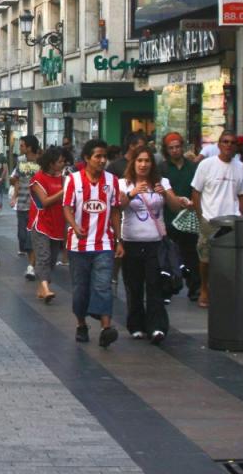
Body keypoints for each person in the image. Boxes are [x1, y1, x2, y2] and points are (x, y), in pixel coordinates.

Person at [63, 138, 124, 348]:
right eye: (97, 156)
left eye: (104, 156)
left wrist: (119, 239)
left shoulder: (112, 181)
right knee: (80, 288)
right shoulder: (73, 180)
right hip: (78, 245)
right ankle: (81, 323)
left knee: (103, 285)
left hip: (104, 244)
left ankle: (106, 328)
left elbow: (115, 211)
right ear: (87, 158)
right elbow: (67, 208)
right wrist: (74, 226)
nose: (102, 160)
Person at [120, 148, 182, 344]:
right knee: (134, 286)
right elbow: (117, 206)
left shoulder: (161, 183)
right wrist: (132, 194)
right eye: (140, 160)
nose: (143, 164)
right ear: (133, 163)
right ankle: (136, 325)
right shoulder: (124, 183)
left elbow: (175, 206)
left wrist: (166, 194)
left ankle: (157, 327)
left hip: (156, 243)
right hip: (130, 242)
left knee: (155, 285)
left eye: (147, 161)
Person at [190, 130, 243, 309]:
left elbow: (242, 193)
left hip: (231, 221)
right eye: (225, 142)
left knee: (230, 259)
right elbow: (196, 191)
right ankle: (204, 289)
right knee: (205, 258)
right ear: (219, 144)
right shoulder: (207, 165)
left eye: (232, 142)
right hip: (210, 218)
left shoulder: (240, 167)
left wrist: (239, 212)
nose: (228, 145)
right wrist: (200, 216)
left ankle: (226, 291)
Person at [157, 133, 199, 302]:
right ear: (166, 150)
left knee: (191, 253)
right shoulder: (162, 168)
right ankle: (168, 286)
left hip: (189, 217)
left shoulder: (192, 167)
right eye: (171, 148)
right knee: (168, 255)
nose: (175, 150)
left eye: (177, 146)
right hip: (168, 218)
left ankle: (194, 287)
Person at [28, 147, 68, 303]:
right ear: (51, 163)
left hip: (57, 224)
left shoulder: (63, 179)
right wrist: (64, 191)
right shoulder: (38, 178)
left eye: (64, 161)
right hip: (41, 223)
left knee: (51, 260)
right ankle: (46, 288)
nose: (63, 164)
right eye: (60, 161)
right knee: (43, 256)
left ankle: (42, 287)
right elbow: (44, 201)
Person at [11, 135, 42, 280]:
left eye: (22, 145)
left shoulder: (41, 162)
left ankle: (31, 266)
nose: (20, 148)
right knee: (22, 236)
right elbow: (16, 179)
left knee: (31, 236)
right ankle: (34, 261)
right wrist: (14, 197)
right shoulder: (20, 161)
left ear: (29, 147)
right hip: (22, 203)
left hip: (36, 205)